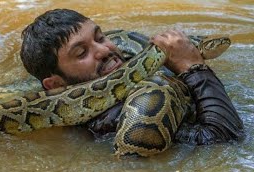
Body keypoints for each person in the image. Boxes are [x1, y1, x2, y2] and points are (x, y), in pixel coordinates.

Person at [20, 9, 244, 147]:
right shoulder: (114, 121)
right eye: (81, 53)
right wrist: (193, 67)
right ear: (56, 85)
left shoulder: (132, 66)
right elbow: (221, 139)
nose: (104, 50)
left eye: (100, 37)